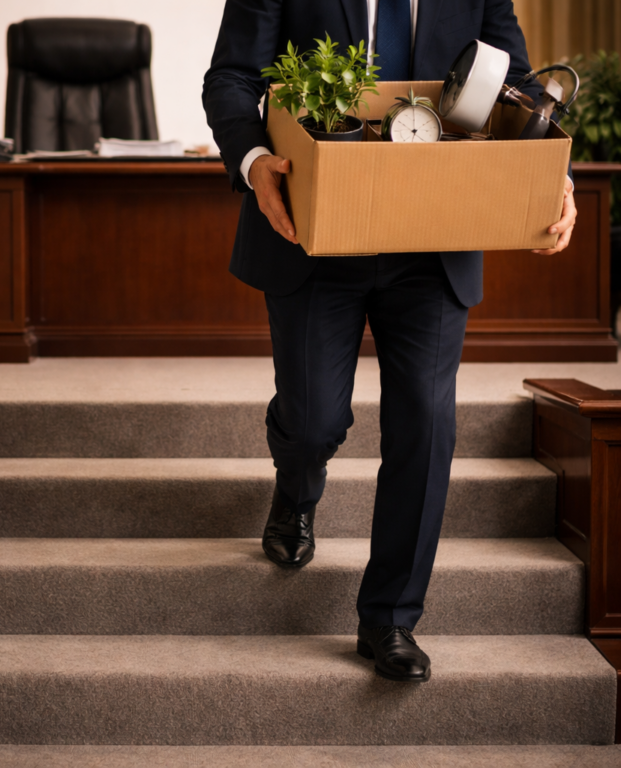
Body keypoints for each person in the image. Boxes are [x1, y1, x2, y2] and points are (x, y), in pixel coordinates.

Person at [202, 0, 577, 683]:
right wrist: (254, 160)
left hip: (434, 240)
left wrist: (558, 180)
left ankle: (392, 618)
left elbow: (517, 87)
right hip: (313, 227)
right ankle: (297, 482)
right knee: (314, 421)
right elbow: (231, 78)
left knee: (426, 427)